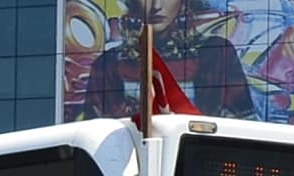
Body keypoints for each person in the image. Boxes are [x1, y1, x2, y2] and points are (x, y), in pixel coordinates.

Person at [77, 0, 256, 121]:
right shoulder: (109, 63)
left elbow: (244, 124)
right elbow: (94, 134)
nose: (156, 5)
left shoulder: (215, 53)